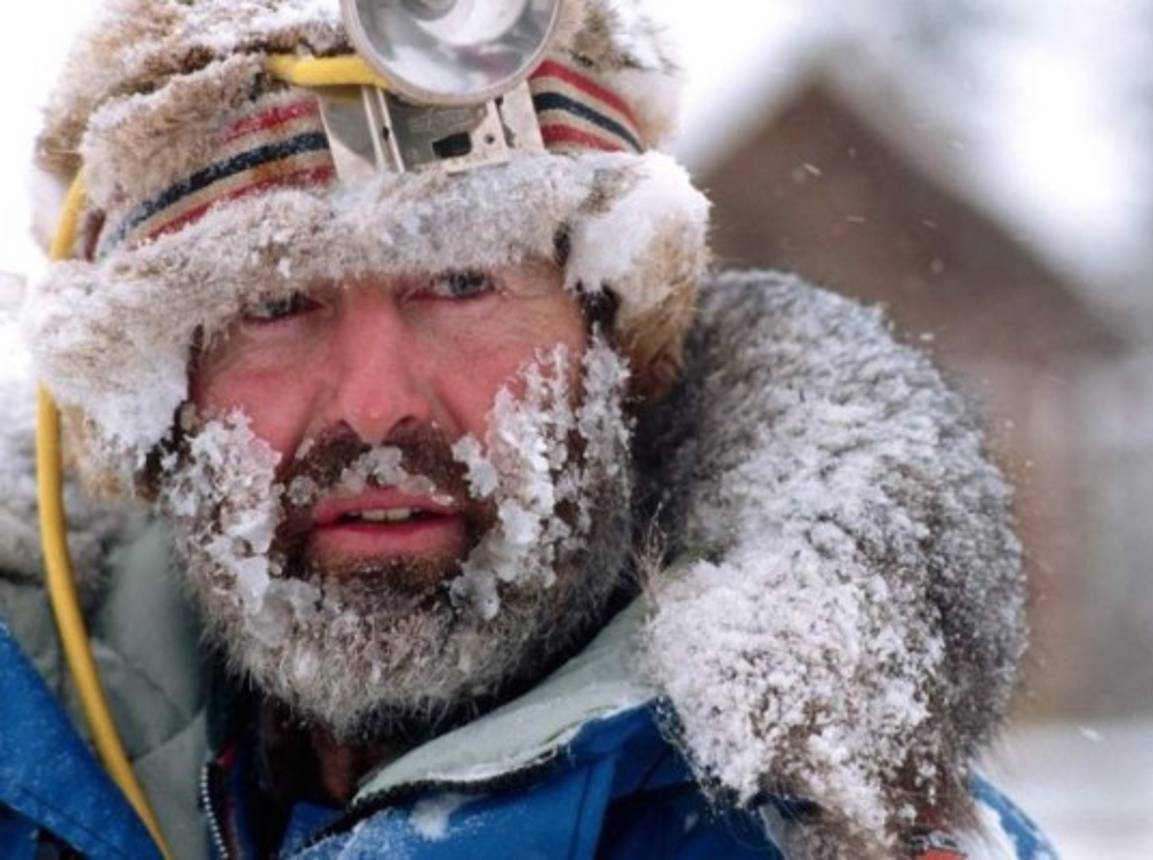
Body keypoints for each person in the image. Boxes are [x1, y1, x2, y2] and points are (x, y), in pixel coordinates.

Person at [0, 1, 1056, 858]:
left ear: (612, 338)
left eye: (462, 282)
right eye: (275, 305)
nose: (376, 403)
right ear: (155, 393)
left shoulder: (831, 839)